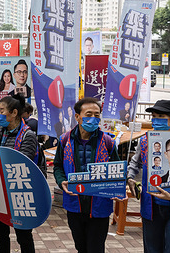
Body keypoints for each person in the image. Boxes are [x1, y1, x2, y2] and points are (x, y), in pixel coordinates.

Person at [53, 97, 119, 253]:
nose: (93, 119)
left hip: (99, 206)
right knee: (80, 247)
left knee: (95, 248)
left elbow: (116, 170)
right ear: (77, 116)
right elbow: (57, 166)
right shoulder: (65, 140)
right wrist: (62, 181)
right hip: (74, 205)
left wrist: (117, 188)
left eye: (97, 115)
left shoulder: (108, 142)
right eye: (89, 114)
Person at [127, 99, 170, 253]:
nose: (156, 120)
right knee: (152, 248)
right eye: (154, 116)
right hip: (152, 204)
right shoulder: (146, 140)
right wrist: (130, 178)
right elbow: (135, 162)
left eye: (161, 116)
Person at [0, 94, 38, 252]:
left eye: (2, 110)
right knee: (0, 236)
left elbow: (22, 164)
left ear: (14, 113)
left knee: (23, 236)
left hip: (19, 194)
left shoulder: (28, 136)